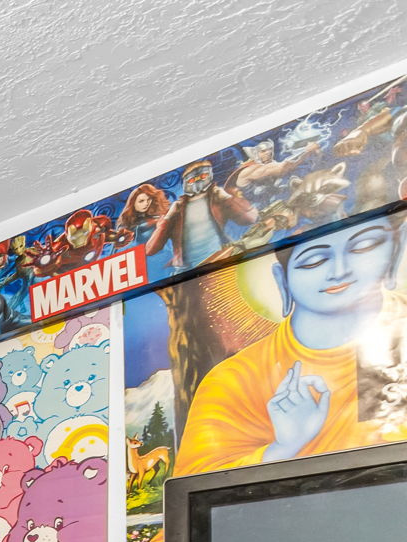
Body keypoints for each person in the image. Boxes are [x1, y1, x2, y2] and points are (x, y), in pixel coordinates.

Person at [175, 215, 407, 475]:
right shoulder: (235, 379)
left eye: (364, 247)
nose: (340, 271)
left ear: (395, 252)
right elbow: (196, 488)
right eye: (314, 260)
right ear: (282, 280)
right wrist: (284, 447)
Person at [147, 160, 257, 271]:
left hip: (220, 258)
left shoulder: (218, 199)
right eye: (193, 179)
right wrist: (168, 217)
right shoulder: (177, 209)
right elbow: (150, 250)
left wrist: (227, 198)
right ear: (186, 182)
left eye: (203, 176)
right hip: (187, 270)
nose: (197, 182)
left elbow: (250, 218)